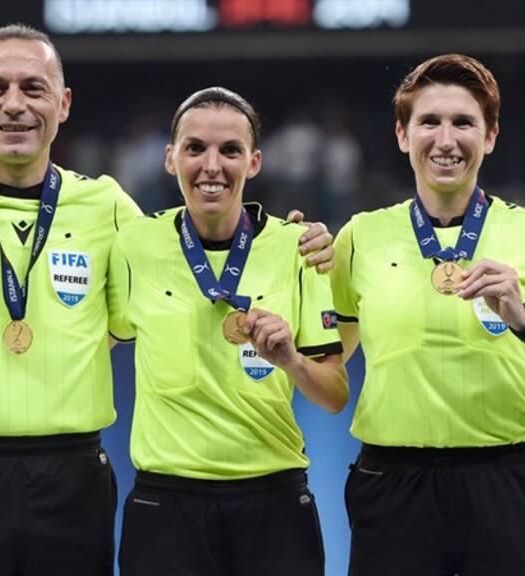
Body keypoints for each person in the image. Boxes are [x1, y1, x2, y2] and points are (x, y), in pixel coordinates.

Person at [0, 23, 336, 576]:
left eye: (33, 88)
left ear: (63, 103)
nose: (14, 105)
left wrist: (296, 241)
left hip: (73, 477)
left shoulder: (109, 208)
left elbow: (192, 262)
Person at [108, 87, 348, 576]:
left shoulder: (298, 249)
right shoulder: (131, 245)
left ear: (254, 162)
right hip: (165, 504)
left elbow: (335, 395)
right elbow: (93, 339)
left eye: (230, 150)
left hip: (274, 501)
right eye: (195, 148)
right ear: (170, 158)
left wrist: (292, 361)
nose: (212, 166)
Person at [331, 54, 525, 576]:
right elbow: (328, 366)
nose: (446, 139)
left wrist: (521, 316)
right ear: (402, 134)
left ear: (490, 137)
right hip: (393, 484)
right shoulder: (360, 237)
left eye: (464, 122)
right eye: (429, 122)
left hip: (507, 479)